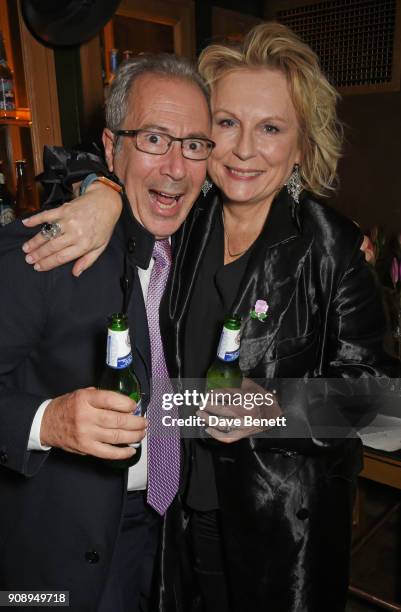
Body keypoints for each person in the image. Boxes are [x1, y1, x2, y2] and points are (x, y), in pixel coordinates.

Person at [18, 23, 400, 612]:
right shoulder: (184, 218)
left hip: (279, 537)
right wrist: (102, 190)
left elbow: (382, 405)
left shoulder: (332, 249)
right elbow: (124, 149)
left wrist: (271, 405)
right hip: (172, 523)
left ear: (300, 146)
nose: (244, 149)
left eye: (270, 128)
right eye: (226, 124)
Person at [0, 54, 213, 612]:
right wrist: (46, 421)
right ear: (111, 146)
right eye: (153, 138)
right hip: (50, 564)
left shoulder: (199, 252)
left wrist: (266, 411)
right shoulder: (42, 252)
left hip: (172, 539)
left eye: (194, 144)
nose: (175, 166)